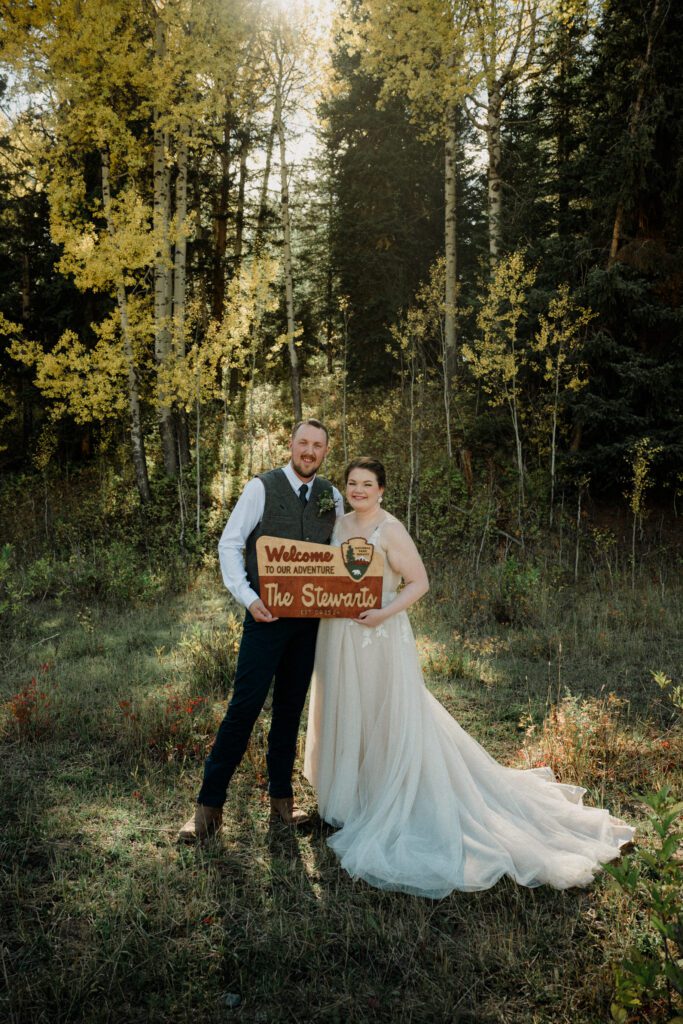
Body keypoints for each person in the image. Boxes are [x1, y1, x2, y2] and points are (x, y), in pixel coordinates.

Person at [304, 457, 634, 897]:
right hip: (339, 633)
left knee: (386, 709)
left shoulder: (391, 529)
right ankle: (352, 794)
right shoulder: (340, 525)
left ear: (382, 489)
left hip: (378, 635)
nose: (359, 490)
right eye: (352, 483)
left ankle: (389, 791)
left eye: (367, 484)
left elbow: (419, 582)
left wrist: (381, 614)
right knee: (350, 707)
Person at [179, 419, 343, 843]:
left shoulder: (332, 496)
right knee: (244, 709)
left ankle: (282, 806)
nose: (309, 451)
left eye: (317, 446)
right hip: (265, 619)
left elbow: (342, 556)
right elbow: (230, 544)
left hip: (309, 625)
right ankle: (208, 810)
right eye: (303, 442)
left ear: (326, 451)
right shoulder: (261, 488)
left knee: (290, 711)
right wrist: (249, 597)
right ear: (291, 444)